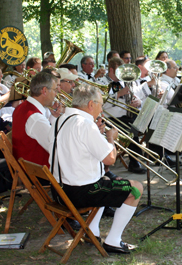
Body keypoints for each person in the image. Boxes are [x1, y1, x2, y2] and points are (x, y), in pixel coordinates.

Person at [48, 84, 143, 254]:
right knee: (136, 187)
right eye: (100, 103)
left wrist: (97, 135)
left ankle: (92, 232)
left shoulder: (59, 120)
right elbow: (110, 159)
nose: (102, 108)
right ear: (91, 104)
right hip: (81, 193)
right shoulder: (85, 124)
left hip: (59, 191)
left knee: (104, 179)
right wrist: (110, 138)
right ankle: (113, 240)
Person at [98, 57, 146, 174]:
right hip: (110, 118)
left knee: (145, 121)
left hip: (126, 115)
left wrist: (137, 102)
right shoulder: (101, 83)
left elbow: (135, 96)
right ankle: (134, 162)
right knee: (131, 128)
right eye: (118, 71)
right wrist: (118, 94)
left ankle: (153, 153)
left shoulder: (124, 81)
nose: (121, 75)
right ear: (111, 70)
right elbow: (101, 105)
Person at [12, 71, 61, 167]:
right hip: (39, 172)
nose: (56, 94)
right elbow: (55, 147)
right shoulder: (35, 118)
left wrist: (54, 117)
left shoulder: (22, 107)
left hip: (29, 168)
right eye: (55, 90)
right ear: (44, 91)